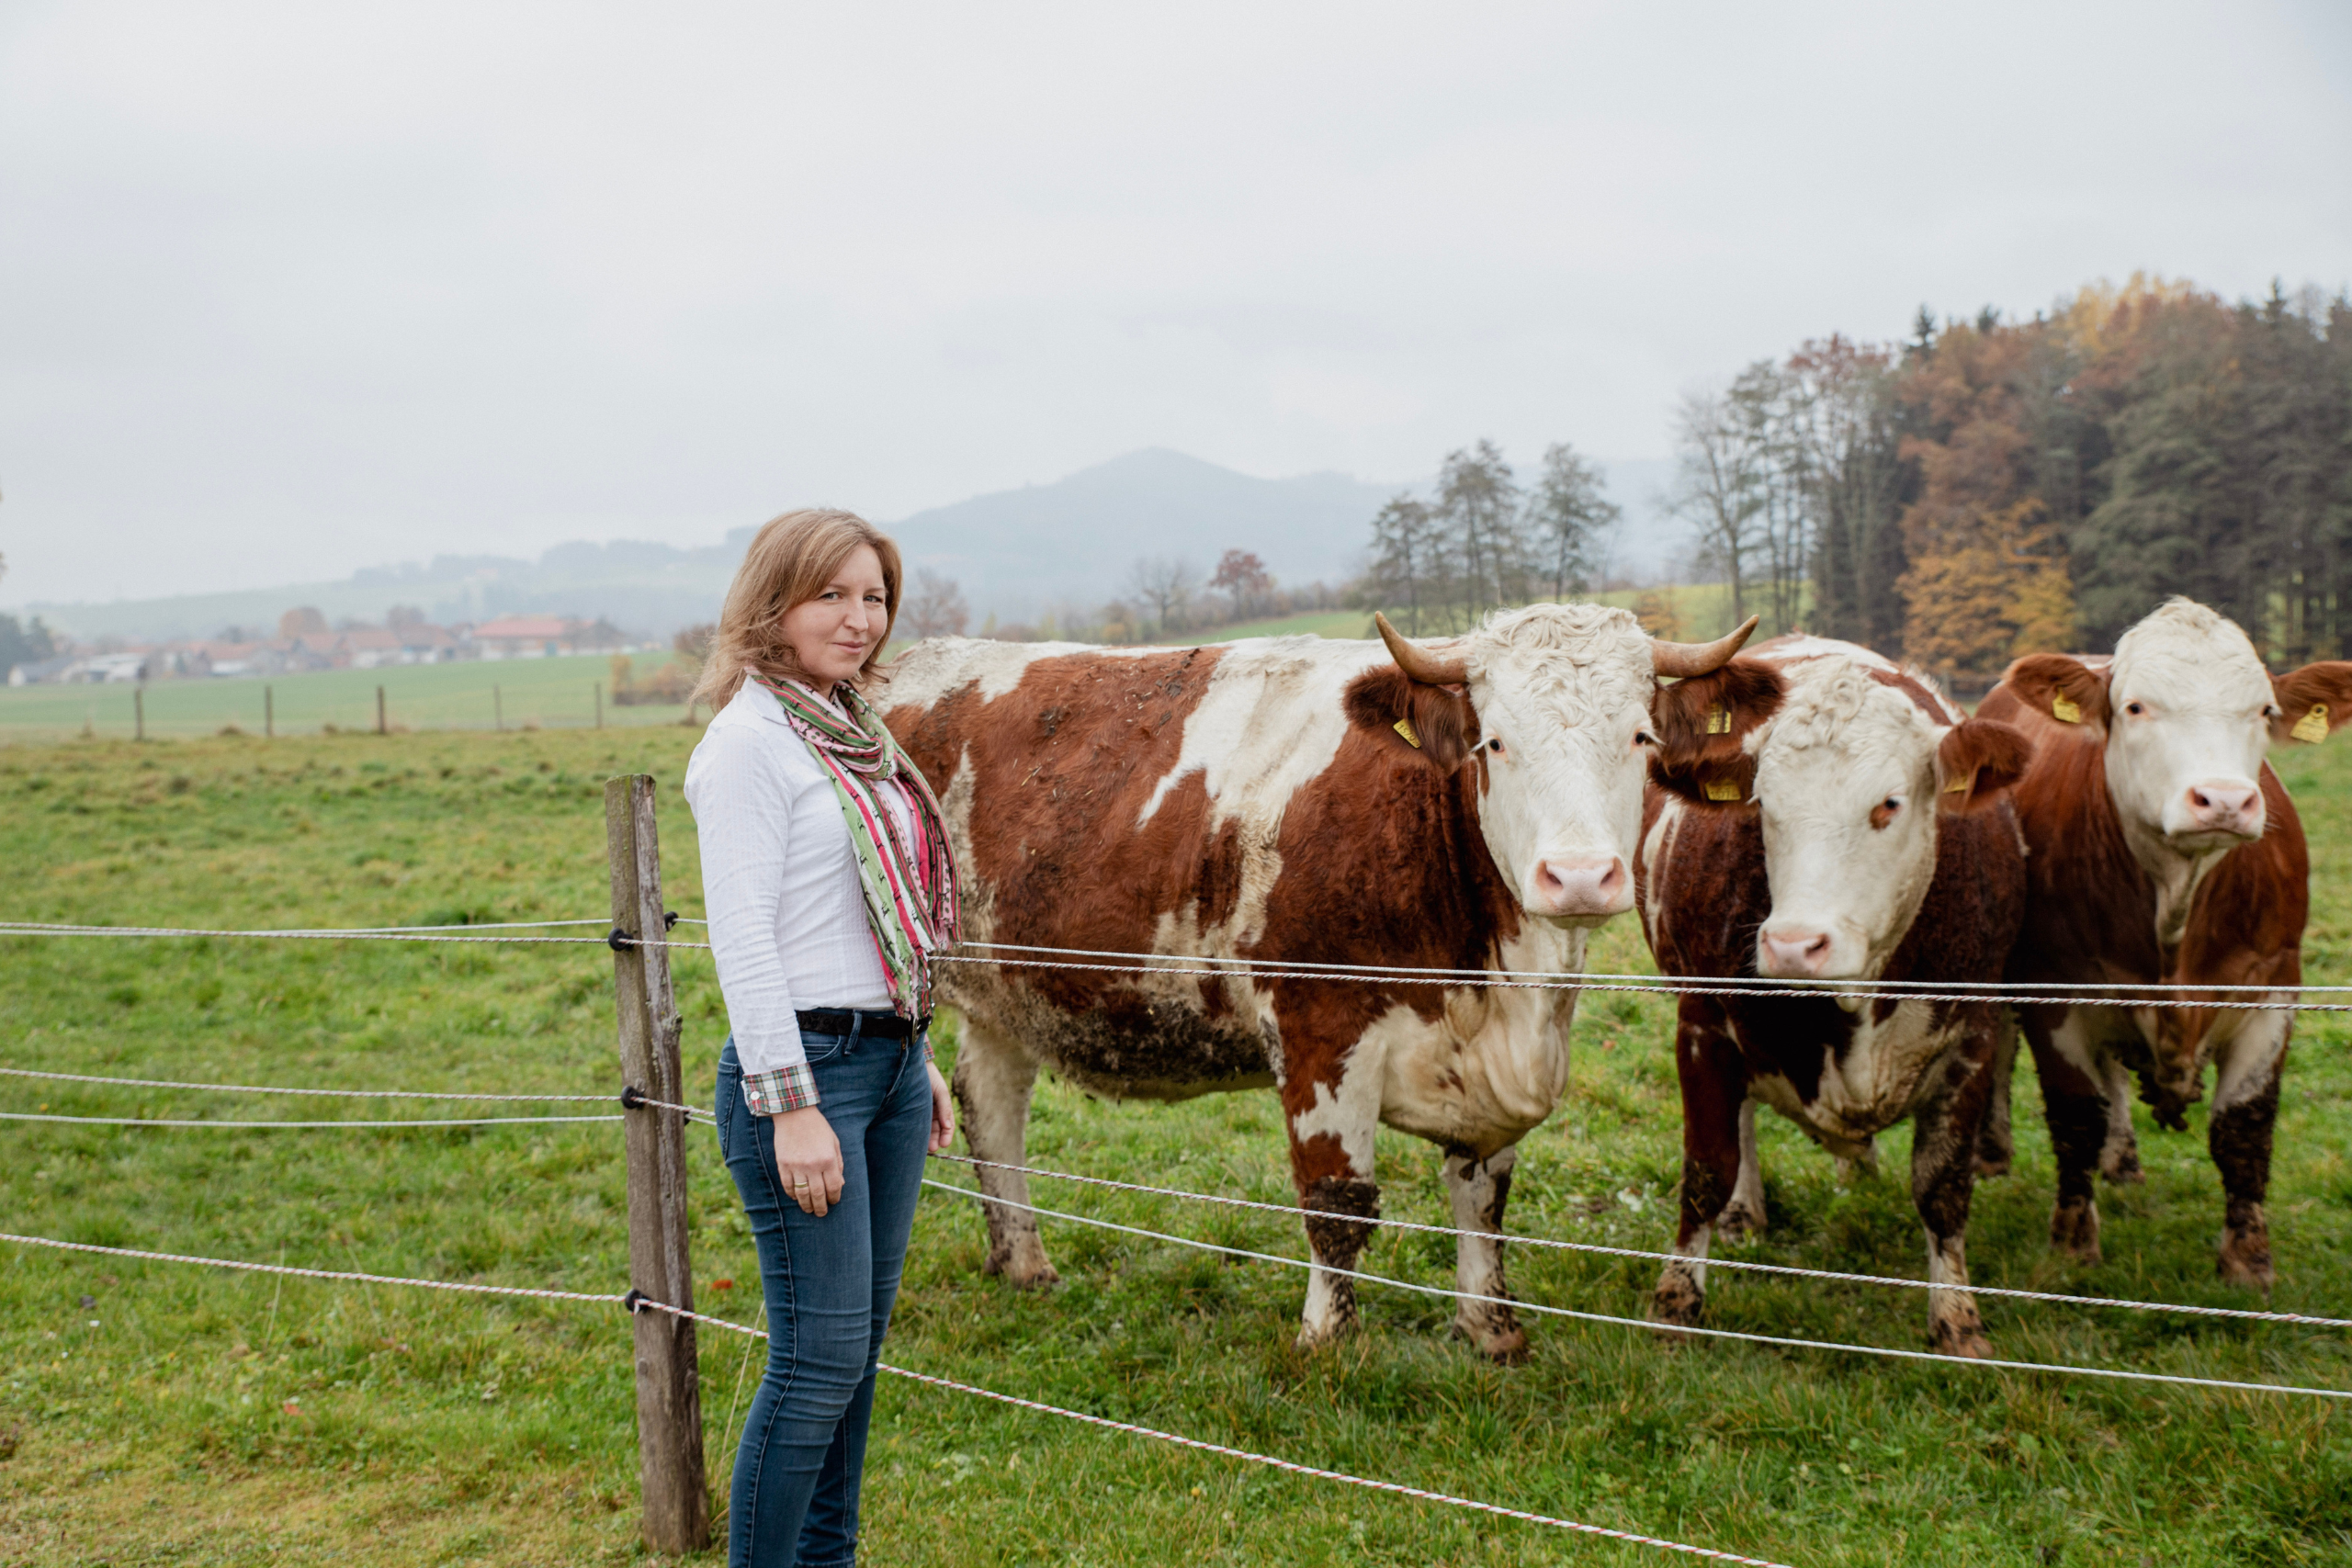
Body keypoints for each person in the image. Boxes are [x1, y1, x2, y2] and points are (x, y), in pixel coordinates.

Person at [683, 508, 960, 1567]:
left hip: (883, 1064)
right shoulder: (751, 744)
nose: (858, 620)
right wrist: (791, 1103)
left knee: (854, 1360)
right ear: (774, 604)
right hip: (805, 1076)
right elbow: (745, 942)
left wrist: (916, 1051)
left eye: (874, 596)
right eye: (831, 595)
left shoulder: (848, 732)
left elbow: (860, 916)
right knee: (817, 1362)